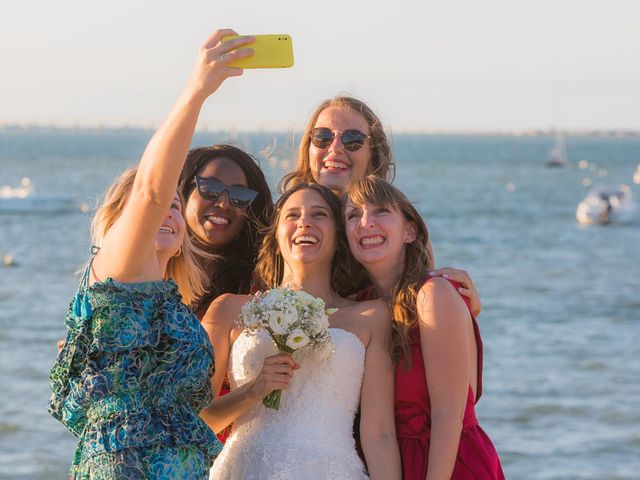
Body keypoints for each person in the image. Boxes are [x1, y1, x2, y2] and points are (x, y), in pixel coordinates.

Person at [48, 28, 256, 479]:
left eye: (176, 209)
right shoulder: (117, 271)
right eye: (163, 205)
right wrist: (197, 90)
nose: (168, 212)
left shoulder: (174, 308)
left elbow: (187, 421)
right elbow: (149, 190)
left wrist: (254, 391)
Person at [203, 183, 401, 479]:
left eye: (318, 215)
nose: (304, 222)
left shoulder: (372, 317)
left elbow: (380, 435)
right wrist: (252, 391)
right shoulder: (229, 309)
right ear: (276, 234)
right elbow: (196, 422)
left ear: (338, 235)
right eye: (292, 215)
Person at [344, 175, 505, 479]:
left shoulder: (434, 294)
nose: (365, 222)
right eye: (354, 215)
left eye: (380, 211)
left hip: (449, 464)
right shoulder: (359, 307)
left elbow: (448, 415)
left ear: (409, 231)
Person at [279, 95, 482, 316]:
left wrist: (463, 306)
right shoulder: (285, 225)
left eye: (353, 140)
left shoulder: (394, 228)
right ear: (308, 147)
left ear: (373, 155)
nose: (335, 148)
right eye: (322, 137)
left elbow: (416, 315)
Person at [178, 144, 274, 318]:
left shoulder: (257, 286)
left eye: (239, 196)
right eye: (210, 188)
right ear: (184, 190)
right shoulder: (150, 266)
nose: (224, 203)